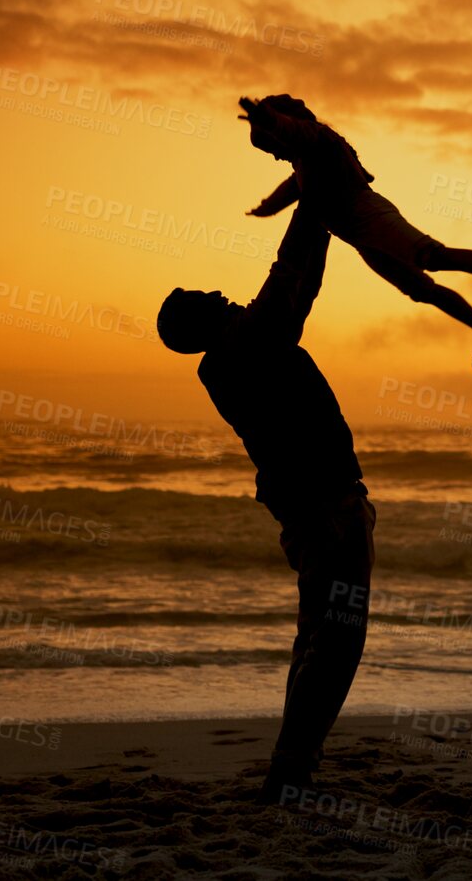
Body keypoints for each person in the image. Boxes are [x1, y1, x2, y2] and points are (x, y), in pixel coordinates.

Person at [156, 204, 372, 798]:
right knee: (337, 641)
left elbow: (299, 287)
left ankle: (293, 762)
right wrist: (314, 200)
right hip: (327, 515)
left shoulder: (234, 354)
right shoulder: (245, 346)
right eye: (207, 295)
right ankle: (292, 768)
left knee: (316, 638)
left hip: (314, 514)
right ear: (201, 320)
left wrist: (323, 219)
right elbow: (288, 279)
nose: (221, 290)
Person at [237, 93, 472, 370]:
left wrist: (264, 117)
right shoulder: (304, 161)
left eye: (273, 147)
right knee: (420, 290)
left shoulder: (317, 137)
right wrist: (267, 207)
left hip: (370, 216)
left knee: (432, 256)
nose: (276, 156)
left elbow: (290, 130)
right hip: (361, 237)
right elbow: (292, 187)